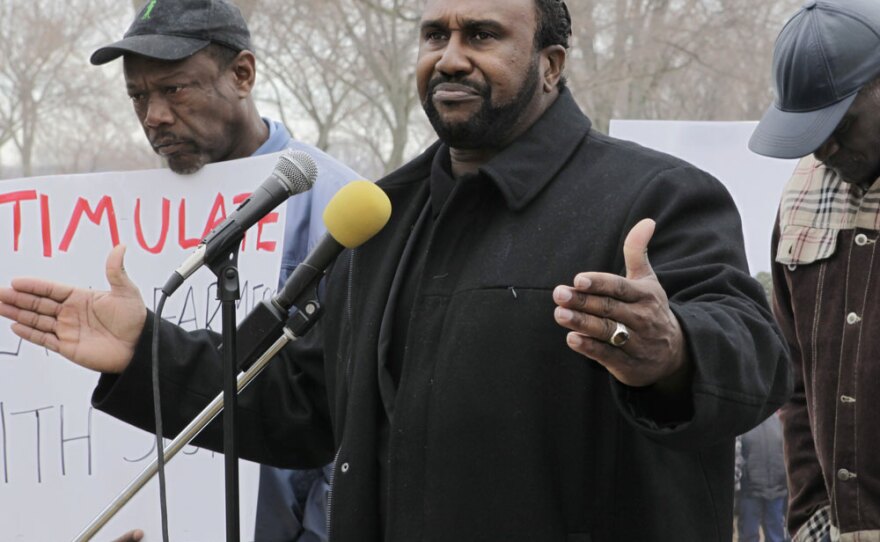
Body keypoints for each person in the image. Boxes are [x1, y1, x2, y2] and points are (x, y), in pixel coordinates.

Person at [0, 0, 791, 539]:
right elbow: (302, 399)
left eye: (482, 35)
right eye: (433, 35)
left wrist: (675, 350)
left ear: (552, 64)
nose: (450, 57)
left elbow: (757, 363)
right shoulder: (381, 215)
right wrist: (146, 351)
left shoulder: (654, 196)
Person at [89, 0, 355, 539]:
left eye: (175, 88)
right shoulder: (122, 212)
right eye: (138, 95)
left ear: (242, 74)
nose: (154, 115)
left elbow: (344, 411)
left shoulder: (336, 206)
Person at [749, 1, 880, 540]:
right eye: (809, 130)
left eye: (840, 124)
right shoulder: (801, 199)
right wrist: (810, 519)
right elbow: (795, 379)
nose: (823, 148)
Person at [736, 414, 788, 542]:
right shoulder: (744, 422)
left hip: (777, 492)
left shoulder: (779, 421)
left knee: (776, 537)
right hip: (750, 493)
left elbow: (786, 452)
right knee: (749, 536)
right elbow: (737, 456)